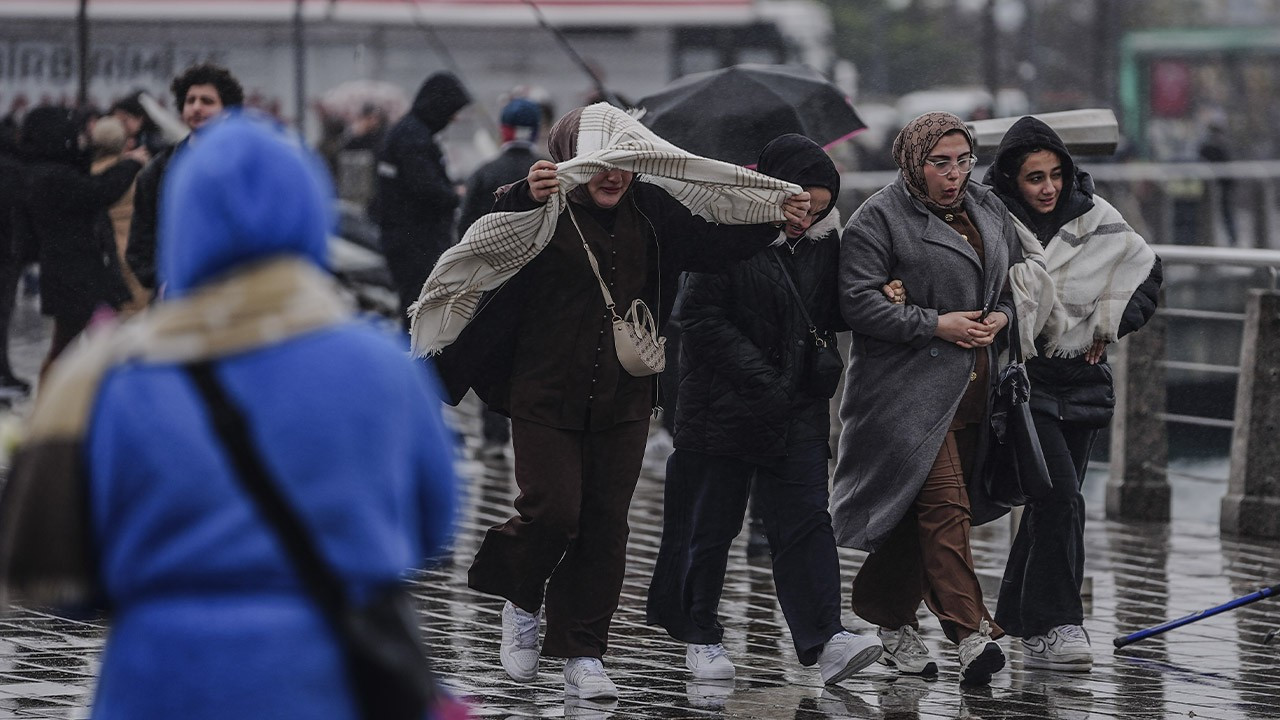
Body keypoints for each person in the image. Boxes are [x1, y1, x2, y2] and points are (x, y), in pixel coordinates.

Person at [0, 112, 460, 718]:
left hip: (161, 682)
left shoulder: (106, 377)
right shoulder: (383, 368)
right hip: (322, 679)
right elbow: (431, 525)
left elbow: (46, 568)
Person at [412, 103, 811, 701]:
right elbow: (490, 233)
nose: (613, 174)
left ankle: (583, 653)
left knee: (605, 524)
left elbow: (711, 243)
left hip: (624, 395)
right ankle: (521, 595)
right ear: (572, 158)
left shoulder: (651, 211)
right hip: (543, 390)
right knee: (553, 511)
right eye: (600, 163)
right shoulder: (538, 203)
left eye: (625, 163)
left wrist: (778, 220)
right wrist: (525, 192)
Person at [645, 133, 882, 685]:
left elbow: (832, 312)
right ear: (774, 191)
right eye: (799, 205)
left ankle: (826, 639)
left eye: (819, 209)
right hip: (720, 406)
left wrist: (882, 295)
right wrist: (761, 376)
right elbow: (697, 317)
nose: (806, 219)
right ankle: (700, 634)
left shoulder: (829, 245)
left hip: (796, 409)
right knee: (711, 526)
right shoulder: (726, 233)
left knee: (805, 523)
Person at [831, 112, 1015, 685]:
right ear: (914, 161)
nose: (954, 173)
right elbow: (857, 304)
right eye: (941, 162)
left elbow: (1012, 284)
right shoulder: (878, 219)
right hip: (905, 397)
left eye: (963, 160)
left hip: (973, 386)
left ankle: (887, 618)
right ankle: (969, 633)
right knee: (944, 508)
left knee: (918, 516)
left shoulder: (987, 208)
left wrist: (999, 320)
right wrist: (936, 324)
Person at [984, 115, 1160, 672]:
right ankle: (1056, 624)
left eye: (1055, 174)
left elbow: (1146, 274)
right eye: (1034, 177)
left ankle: (1016, 618)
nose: (1048, 187)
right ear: (1012, 179)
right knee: (1059, 496)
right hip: (1022, 378)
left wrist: (1106, 327)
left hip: (1080, 381)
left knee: (1049, 504)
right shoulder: (993, 221)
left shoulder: (1099, 218)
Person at [15, 106, 144, 379]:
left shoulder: (44, 170)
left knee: (87, 341)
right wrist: (131, 164)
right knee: (68, 346)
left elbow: (83, 174)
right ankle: (51, 405)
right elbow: (99, 191)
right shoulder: (52, 176)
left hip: (75, 274)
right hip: (75, 276)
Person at [456, 97, 544, 458]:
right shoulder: (553, 173)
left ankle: (494, 437)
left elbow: (464, 233)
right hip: (540, 287)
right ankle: (533, 434)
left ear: (503, 130)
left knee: (491, 359)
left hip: (491, 282)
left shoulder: (484, 174)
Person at [127, 62, 244, 295]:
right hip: (178, 297)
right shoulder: (158, 171)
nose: (196, 108)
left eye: (207, 101)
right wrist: (162, 281)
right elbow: (140, 242)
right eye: (190, 101)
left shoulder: (245, 165)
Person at [372, 71, 470, 330]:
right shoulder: (414, 139)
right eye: (451, 111)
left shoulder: (406, 132)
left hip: (404, 238)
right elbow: (427, 189)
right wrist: (456, 195)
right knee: (418, 308)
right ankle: (416, 364)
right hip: (416, 242)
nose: (453, 119)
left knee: (413, 304)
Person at [90, 116, 150, 313]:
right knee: (137, 307)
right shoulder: (135, 170)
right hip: (135, 246)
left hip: (104, 249)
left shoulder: (89, 173)